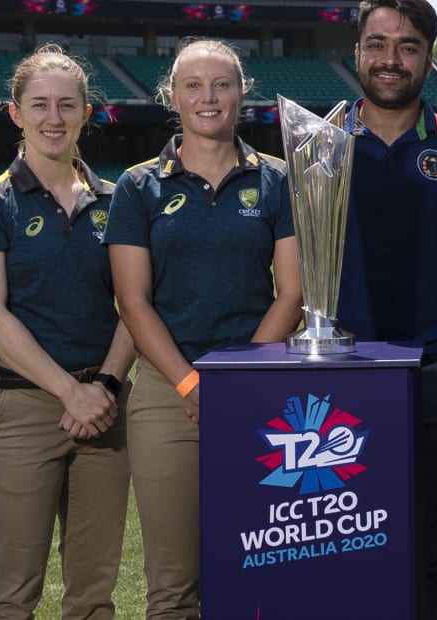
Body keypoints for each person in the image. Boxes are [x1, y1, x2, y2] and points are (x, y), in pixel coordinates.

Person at [105, 38, 304, 619]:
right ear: (173, 96)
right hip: (168, 397)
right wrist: (193, 384)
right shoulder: (140, 186)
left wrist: (236, 378)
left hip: (259, 391)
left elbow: (291, 291)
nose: (209, 97)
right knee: (173, 582)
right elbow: (134, 301)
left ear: (243, 94)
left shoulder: (278, 179)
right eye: (194, 85)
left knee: (262, 560)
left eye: (222, 84)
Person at [334, 0, 437, 619]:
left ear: (428, 58)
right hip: (344, 373)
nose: (390, 59)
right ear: (357, 52)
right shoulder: (317, 146)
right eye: (376, 44)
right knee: (349, 542)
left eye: (407, 46)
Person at [0, 44, 137, 619]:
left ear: (87, 112)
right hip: (23, 409)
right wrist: (71, 392)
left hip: (106, 407)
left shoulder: (120, 201)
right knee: (13, 593)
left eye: (67, 105)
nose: (53, 118)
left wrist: (104, 385)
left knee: (93, 596)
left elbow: (135, 305)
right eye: (39, 105)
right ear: (16, 113)